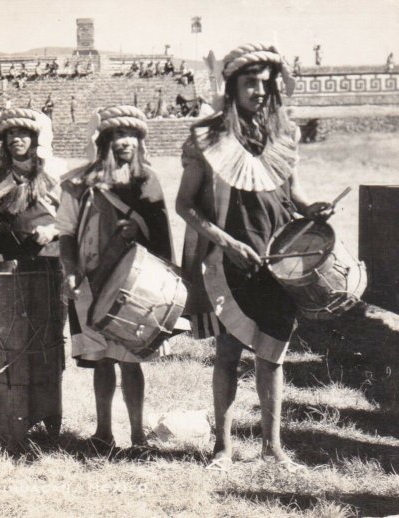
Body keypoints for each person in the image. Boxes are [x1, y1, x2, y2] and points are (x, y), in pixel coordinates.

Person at [176, 42, 333, 472]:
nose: (260, 91)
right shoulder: (207, 137)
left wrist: (311, 208)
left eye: (267, 83)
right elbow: (185, 205)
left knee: (273, 355)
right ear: (232, 87)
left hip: (280, 260)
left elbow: (292, 193)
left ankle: (273, 448)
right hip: (230, 261)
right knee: (228, 352)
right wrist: (228, 244)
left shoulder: (283, 134)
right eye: (251, 82)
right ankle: (222, 450)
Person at [58, 105, 174, 448]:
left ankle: (139, 436)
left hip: (136, 284)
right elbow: (65, 232)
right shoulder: (80, 182)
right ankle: (103, 432)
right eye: (117, 136)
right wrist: (71, 271)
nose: (124, 142)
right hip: (91, 278)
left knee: (131, 360)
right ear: (104, 141)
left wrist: (136, 229)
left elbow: (161, 233)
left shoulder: (147, 181)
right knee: (102, 358)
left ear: (140, 141)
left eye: (131, 136)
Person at [0, 108, 65, 258]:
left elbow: (72, 219)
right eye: (10, 133)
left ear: (35, 138)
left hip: (46, 258)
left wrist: (51, 231)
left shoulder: (52, 170)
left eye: (22, 133)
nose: (15, 139)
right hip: (7, 258)